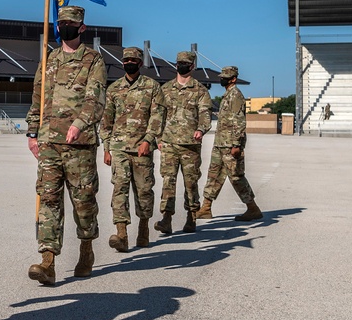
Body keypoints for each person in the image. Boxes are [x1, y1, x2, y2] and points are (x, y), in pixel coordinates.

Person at [26, 5, 107, 285]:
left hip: (79, 144)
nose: (64, 27)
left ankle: (86, 250)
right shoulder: (48, 60)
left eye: (70, 23)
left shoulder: (93, 60)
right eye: (60, 23)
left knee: (83, 202)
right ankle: (47, 260)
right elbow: (37, 97)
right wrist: (32, 133)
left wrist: (79, 123)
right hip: (49, 142)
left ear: (82, 27)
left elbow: (95, 98)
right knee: (48, 199)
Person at [100, 46, 165, 252]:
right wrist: (107, 147)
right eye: (126, 60)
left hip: (141, 148)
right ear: (122, 63)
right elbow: (106, 120)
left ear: (140, 63)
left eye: (133, 60)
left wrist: (148, 140)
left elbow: (157, 117)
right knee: (119, 190)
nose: (129, 63)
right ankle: (121, 234)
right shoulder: (114, 89)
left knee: (144, 191)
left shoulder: (152, 87)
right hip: (119, 148)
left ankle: (144, 229)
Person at [155, 51, 212, 235]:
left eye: (185, 63)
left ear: (192, 66)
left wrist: (201, 129)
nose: (182, 65)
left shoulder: (200, 90)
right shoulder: (165, 89)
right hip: (169, 143)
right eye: (179, 62)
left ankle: (192, 216)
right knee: (168, 182)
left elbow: (205, 115)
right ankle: (167, 218)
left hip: (190, 145)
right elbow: (159, 116)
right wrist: (158, 138)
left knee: (191, 182)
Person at [195, 65, 262, 221]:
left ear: (233, 79)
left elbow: (239, 121)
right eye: (221, 76)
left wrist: (237, 144)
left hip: (230, 145)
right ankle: (206, 207)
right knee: (213, 175)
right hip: (220, 143)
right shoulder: (227, 95)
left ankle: (253, 208)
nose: (222, 79)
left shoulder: (236, 95)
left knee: (236, 177)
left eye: (225, 77)